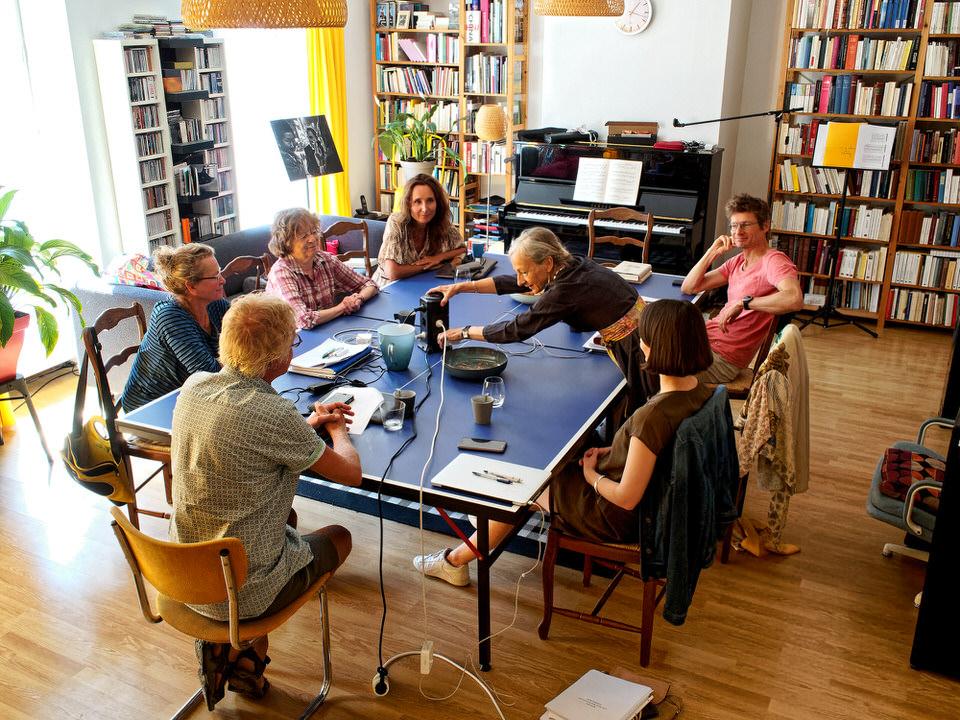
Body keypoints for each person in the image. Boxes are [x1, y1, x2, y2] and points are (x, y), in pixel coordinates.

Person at [414, 299, 715, 586]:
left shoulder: (652, 417)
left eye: (642, 335)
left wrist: (591, 476)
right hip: (648, 494)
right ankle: (486, 524)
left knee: (520, 485)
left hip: (617, 513)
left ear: (655, 346)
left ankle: (454, 561)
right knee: (551, 461)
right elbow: (659, 448)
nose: (638, 341)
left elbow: (626, 497)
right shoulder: (702, 392)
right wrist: (620, 449)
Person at [170, 293, 362, 710]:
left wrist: (304, 425)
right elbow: (351, 473)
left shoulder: (194, 386)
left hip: (181, 574)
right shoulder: (271, 413)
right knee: (340, 537)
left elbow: (249, 437)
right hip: (239, 591)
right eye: (292, 342)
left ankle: (231, 653)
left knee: (284, 517)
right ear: (276, 358)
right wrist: (336, 430)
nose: (294, 349)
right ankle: (245, 656)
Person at [433, 226, 655, 412]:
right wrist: (462, 286)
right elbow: (513, 282)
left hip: (637, 348)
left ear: (547, 263)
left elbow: (516, 330)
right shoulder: (571, 264)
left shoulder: (564, 291)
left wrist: (463, 332)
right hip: (646, 332)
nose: (521, 280)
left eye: (525, 272)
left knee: (645, 412)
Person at [681, 193, 803, 384]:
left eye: (745, 224)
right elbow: (690, 287)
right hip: (704, 342)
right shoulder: (738, 261)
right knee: (643, 349)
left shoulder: (773, 261)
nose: (738, 231)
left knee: (653, 371)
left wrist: (745, 303)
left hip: (722, 359)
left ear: (765, 226)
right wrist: (712, 251)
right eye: (734, 226)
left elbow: (794, 298)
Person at [120, 243, 228, 412]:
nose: (223, 280)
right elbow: (209, 375)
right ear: (191, 286)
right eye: (215, 277)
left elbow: (246, 336)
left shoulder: (215, 304)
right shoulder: (169, 316)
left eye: (219, 272)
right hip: (150, 406)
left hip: (189, 395)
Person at [265, 207, 378, 329]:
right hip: (290, 341)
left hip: (326, 329)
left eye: (314, 232)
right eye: (304, 236)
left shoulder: (325, 259)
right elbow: (303, 320)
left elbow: (369, 284)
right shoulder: (281, 272)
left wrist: (358, 298)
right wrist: (343, 307)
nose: (312, 239)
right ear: (286, 242)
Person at [371, 173, 466, 287]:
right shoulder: (396, 222)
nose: (425, 209)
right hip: (386, 288)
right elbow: (393, 272)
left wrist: (438, 258)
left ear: (437, 202)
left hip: (420, 283)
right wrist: (428, 266)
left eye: (430, 200)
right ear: (408, 203)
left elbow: (462, 249)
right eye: (418, 201)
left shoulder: (440, 222)